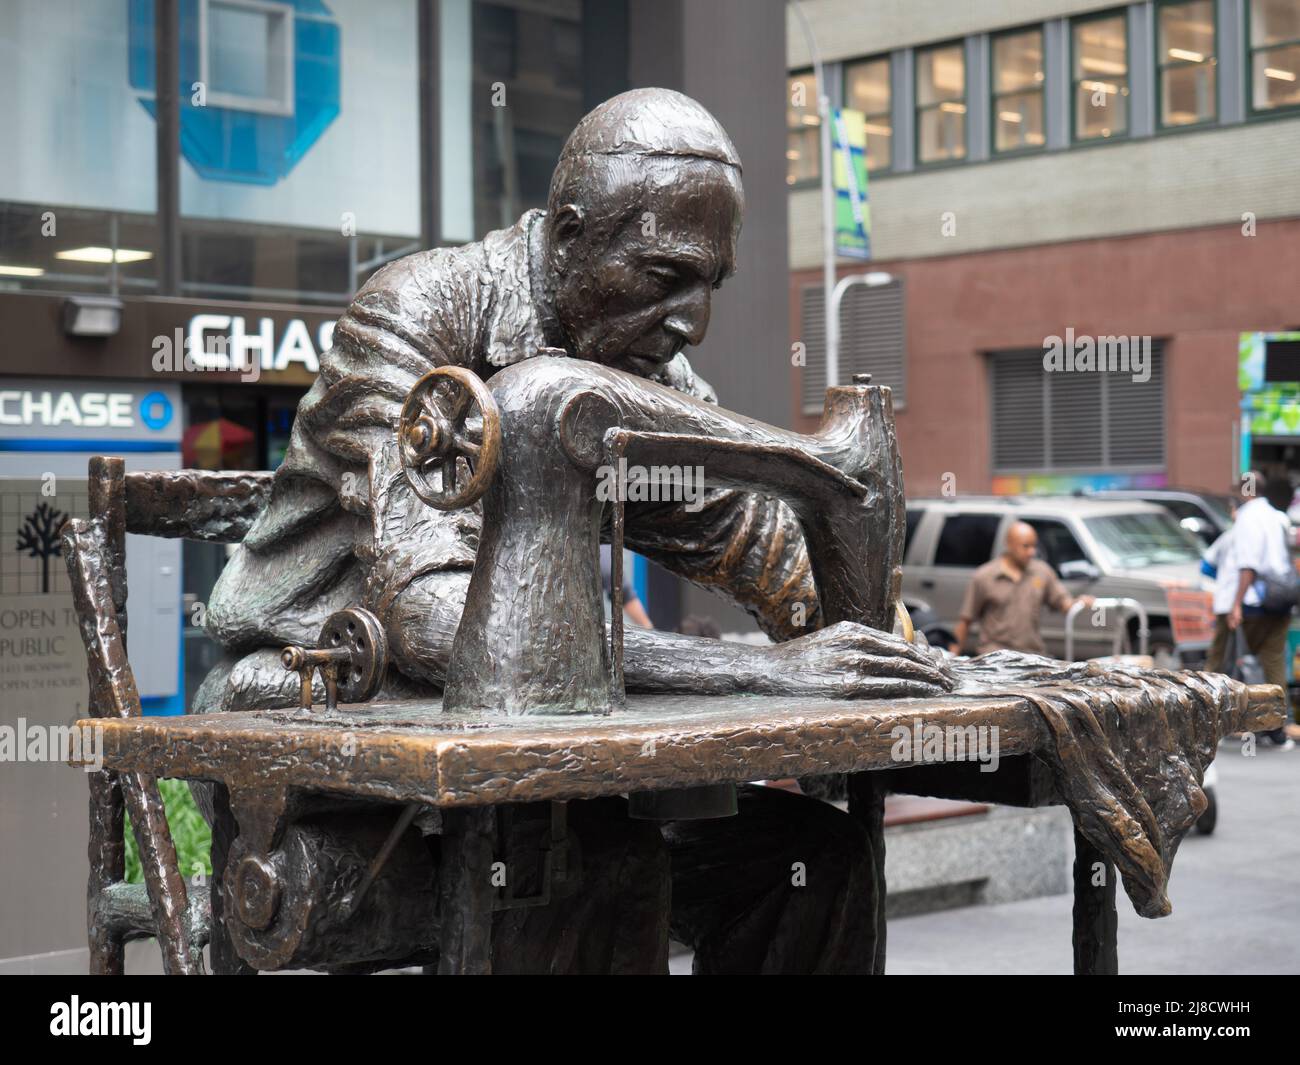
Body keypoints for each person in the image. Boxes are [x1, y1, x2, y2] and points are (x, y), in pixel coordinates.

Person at [197, 88, 949, 973]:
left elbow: (745, 528)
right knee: (593, 860)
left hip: (507, 747)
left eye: (710, 286)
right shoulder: (415, 314)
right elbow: (437, 625)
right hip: (317, 714)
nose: (692, 320)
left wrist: (870, 640)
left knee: (816, 864)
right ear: (568, 234)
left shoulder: (637, 366)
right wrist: (766, 668)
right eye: (665, 276)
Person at [950, 521, 1092, 657]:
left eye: (1034, 546)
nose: (1031, 552)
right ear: (1009, 544)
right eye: (1025, 546)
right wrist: (952, 657)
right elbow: (965, 621)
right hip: (995, 657)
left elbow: (1063, 603)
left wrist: (1079, 602)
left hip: (1031, 656)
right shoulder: (985, 576)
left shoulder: (1042, 572)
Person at [1226, 471, 1295, 748]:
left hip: (1257, 601)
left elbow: (1248, 565)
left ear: (1246, 491)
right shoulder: (1275, 515)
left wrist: (1235, 604)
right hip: (1282, 597)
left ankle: (1250, 723)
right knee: (1274, 662)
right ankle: (1277, 728)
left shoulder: (1248, 517)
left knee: (1246, 664)